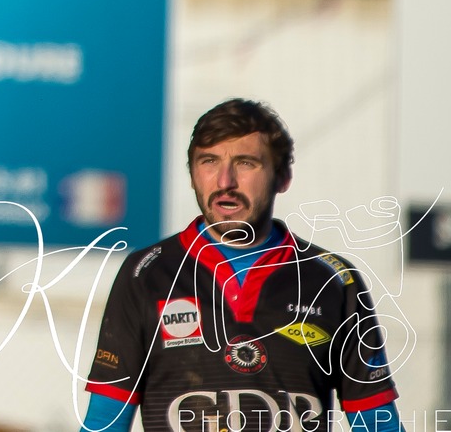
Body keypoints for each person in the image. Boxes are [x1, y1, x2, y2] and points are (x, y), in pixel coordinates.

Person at [80, 99, 401, 432]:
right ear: (192, 175)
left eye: (246, 163)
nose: (225, 181)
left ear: (283, 177)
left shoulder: (333, 280)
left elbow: (378, 423)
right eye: (209, 161)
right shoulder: (146, 273)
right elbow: (105, 422)